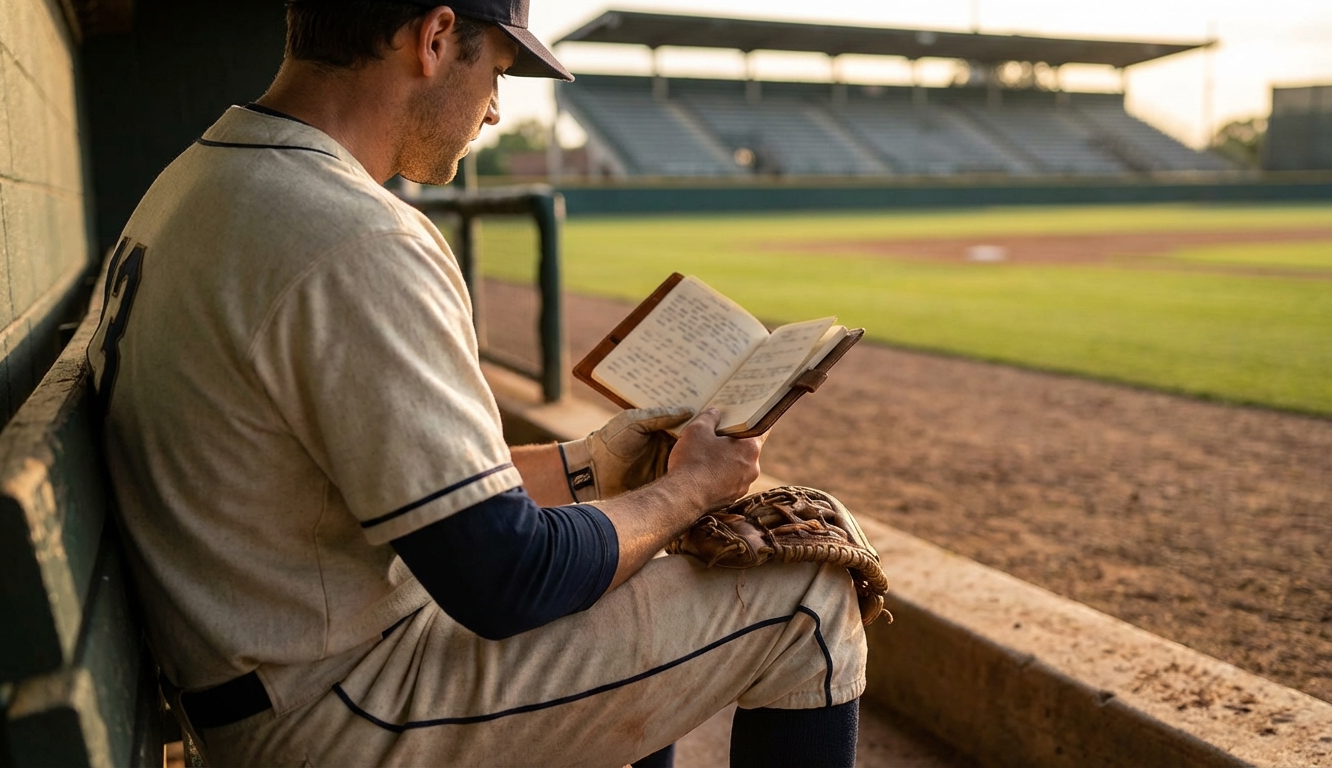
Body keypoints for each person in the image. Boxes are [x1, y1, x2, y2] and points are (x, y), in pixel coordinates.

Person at [86, 1, 868, 765]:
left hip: (258, 669)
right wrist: (688, 492)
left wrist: (597, 462)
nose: (495, 110)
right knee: (808, 602)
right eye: (497, 70)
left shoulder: (202, 177)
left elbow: (432, 499)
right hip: (332, 710)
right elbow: (507, 576)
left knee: (627, 575)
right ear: (434, 37)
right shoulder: (354, 235)